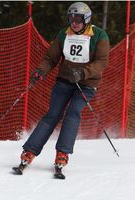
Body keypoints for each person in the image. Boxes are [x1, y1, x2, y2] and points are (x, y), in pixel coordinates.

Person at [16, 2, 109, 175]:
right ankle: (29, 152)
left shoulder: (99, 35)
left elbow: (101, 63)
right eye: (71, 18)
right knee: (53, 114)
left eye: (78, 19)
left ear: (86, 19)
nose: (74, 22)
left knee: (73, 113)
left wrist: (82, 74)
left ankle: (62, 153)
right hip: (64, 82)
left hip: (86, 84)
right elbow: (51, 59)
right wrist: (40, 71)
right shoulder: (64, 34)